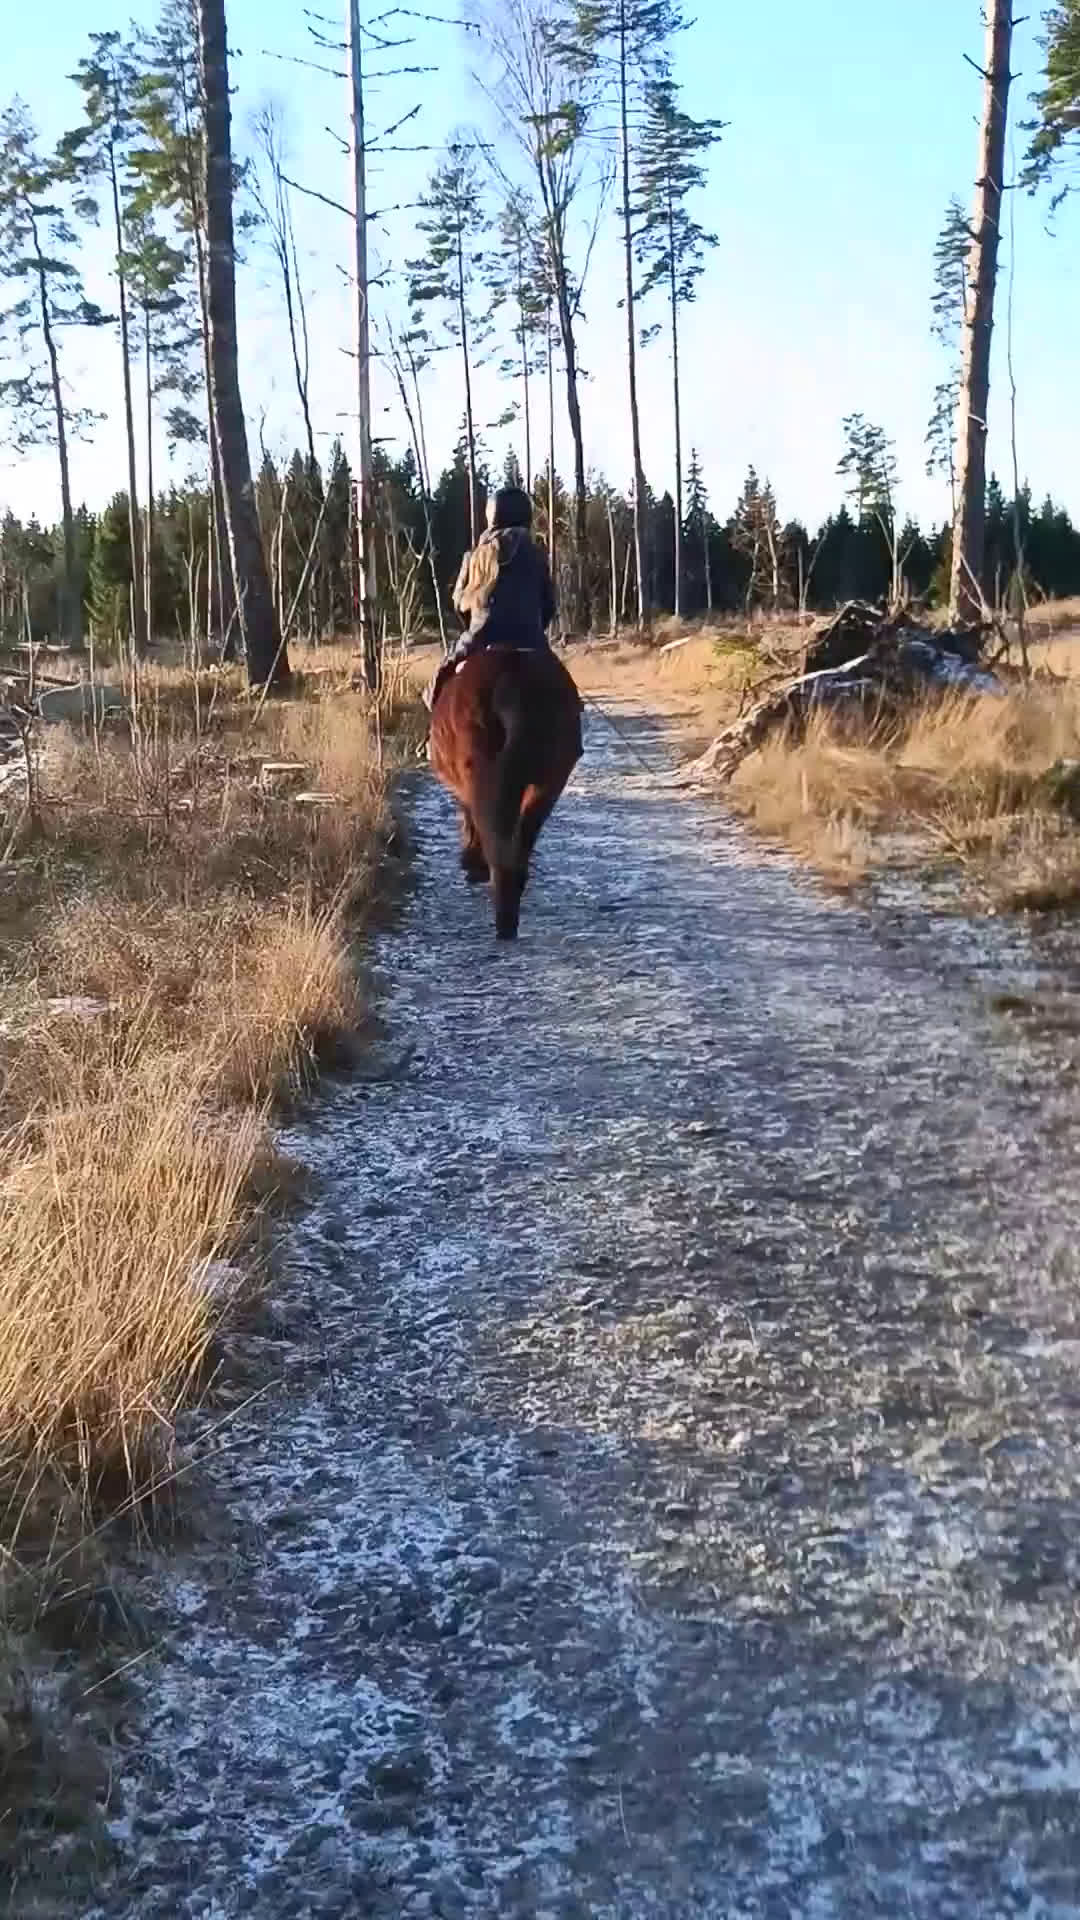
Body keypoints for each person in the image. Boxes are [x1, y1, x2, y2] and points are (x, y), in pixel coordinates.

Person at [424, 486, 557, 715]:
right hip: (531, 642)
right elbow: (548, 607)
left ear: (491, 516)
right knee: (564, 698)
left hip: (479, 640)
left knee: (436, 688)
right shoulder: (536, 556)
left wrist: (475, 621)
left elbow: (459, 605)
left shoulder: (475, 555)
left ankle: (431, 739)